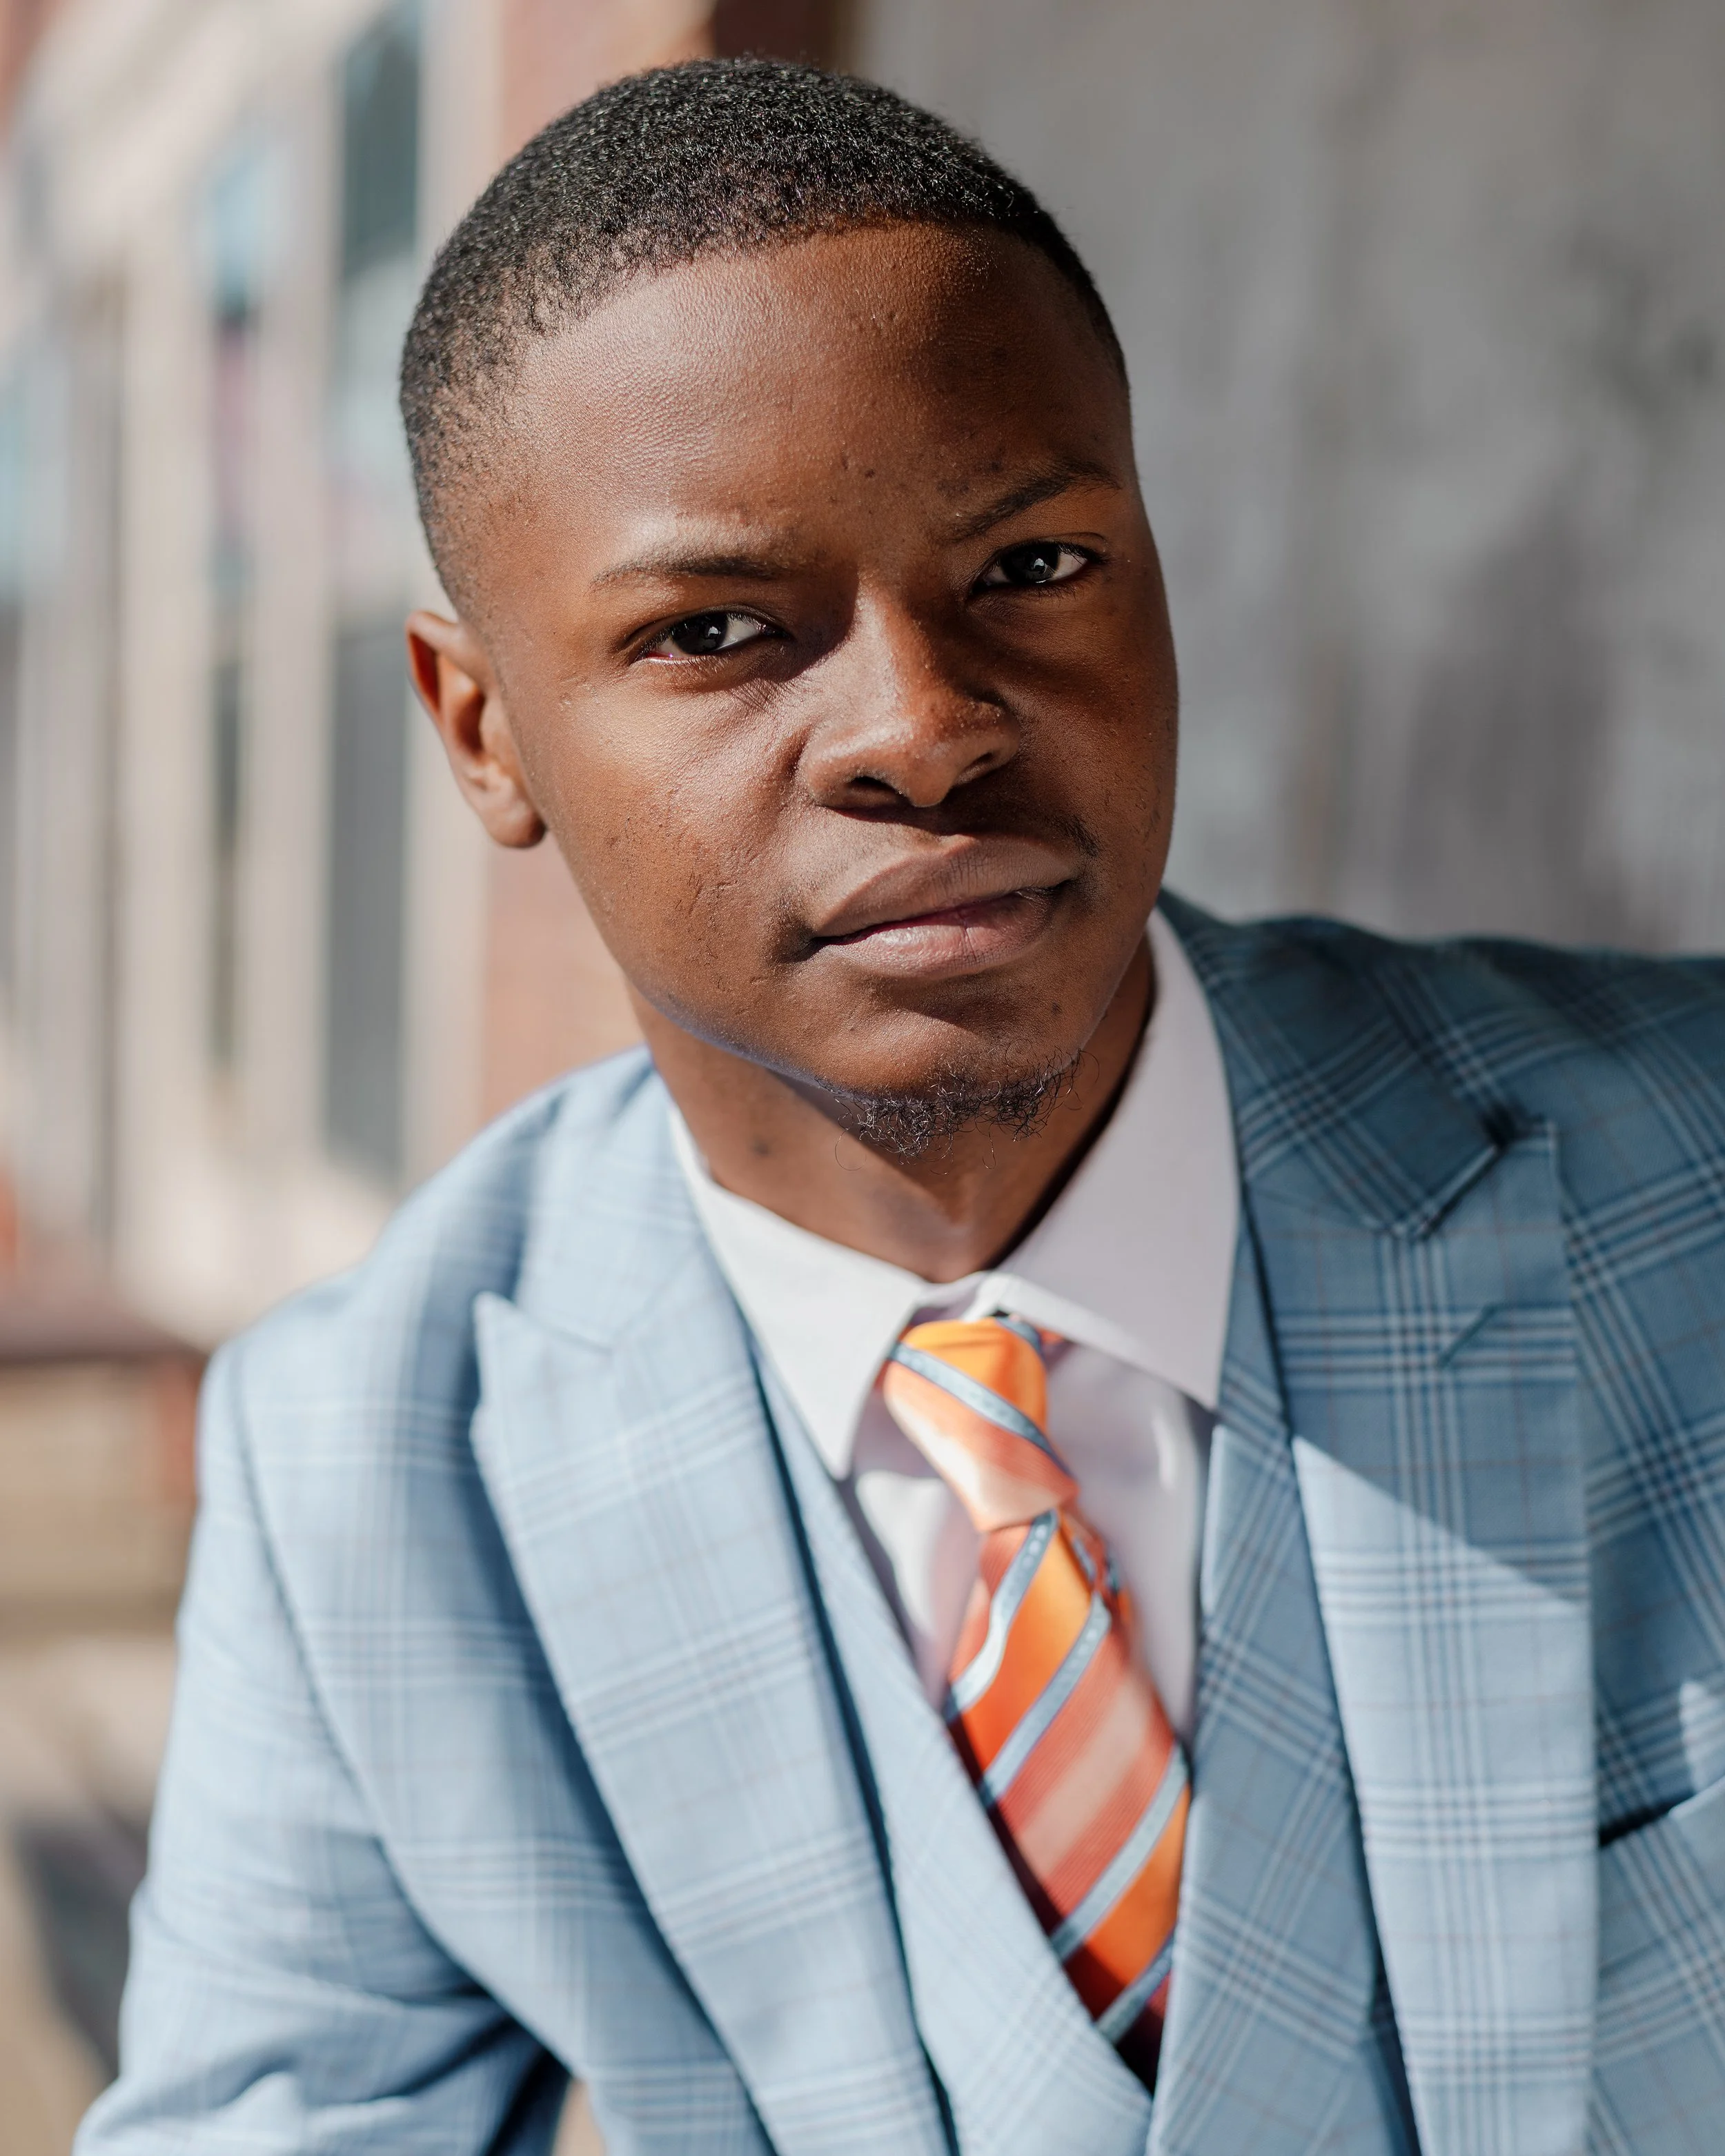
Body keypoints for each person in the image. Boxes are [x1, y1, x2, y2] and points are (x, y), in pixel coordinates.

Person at [80, 59, 1725, 2156]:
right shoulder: (376, 1474)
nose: (925, 731)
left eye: (1032, 565)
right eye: (720, 630)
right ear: (481, 730)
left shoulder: (1681, 1170)